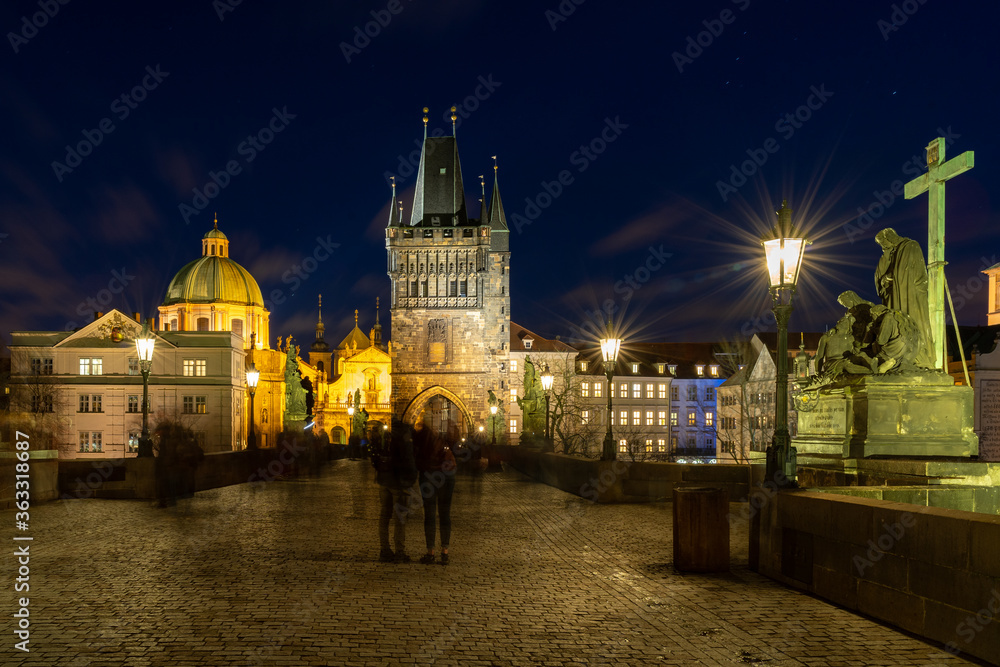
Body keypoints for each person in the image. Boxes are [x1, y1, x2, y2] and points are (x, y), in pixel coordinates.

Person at [874, 228, 935, 367]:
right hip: (895, 294)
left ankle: (917, 356)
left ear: (890, 238)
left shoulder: (910, 246)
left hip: (910, 295)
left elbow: (906, 272)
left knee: (913, 321)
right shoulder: (891, 252)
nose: (883, 247)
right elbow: (883, 272)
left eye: (883, 243)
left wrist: (890, 277)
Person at [414, 417, 457, 565]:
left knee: (430, 515)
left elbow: (417, 460)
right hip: (447, 476)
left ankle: (430, 552)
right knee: (445, 514)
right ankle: (444, 552)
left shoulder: (422, 439)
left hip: (429, 477)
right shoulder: (446, 437)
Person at [374, 420, 417, 563]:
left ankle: (384, 550)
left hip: (383, 481)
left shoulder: (385, 438)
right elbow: (410, 462)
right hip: (398, 484)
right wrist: (410, 481)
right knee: (399, 519)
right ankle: (399, 552)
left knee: (384, 517)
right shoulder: (405, 440)